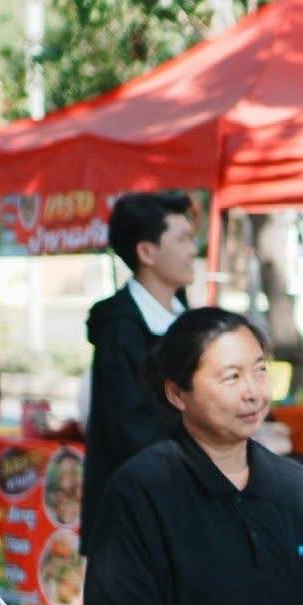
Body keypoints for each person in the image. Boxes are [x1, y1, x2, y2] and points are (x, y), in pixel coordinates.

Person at [83, 308, 303, 605]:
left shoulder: (300, 490)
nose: (254, 393)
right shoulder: (140, 492)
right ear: (178, 393)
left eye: (260, 370)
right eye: (231, 377)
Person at [84, 191, 196, 553]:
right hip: (133, 517)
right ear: (146, 252)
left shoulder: (183, 316)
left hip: (173, 504)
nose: (193, 250)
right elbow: (133, 431)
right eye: (182, 239)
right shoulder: (121, 329)